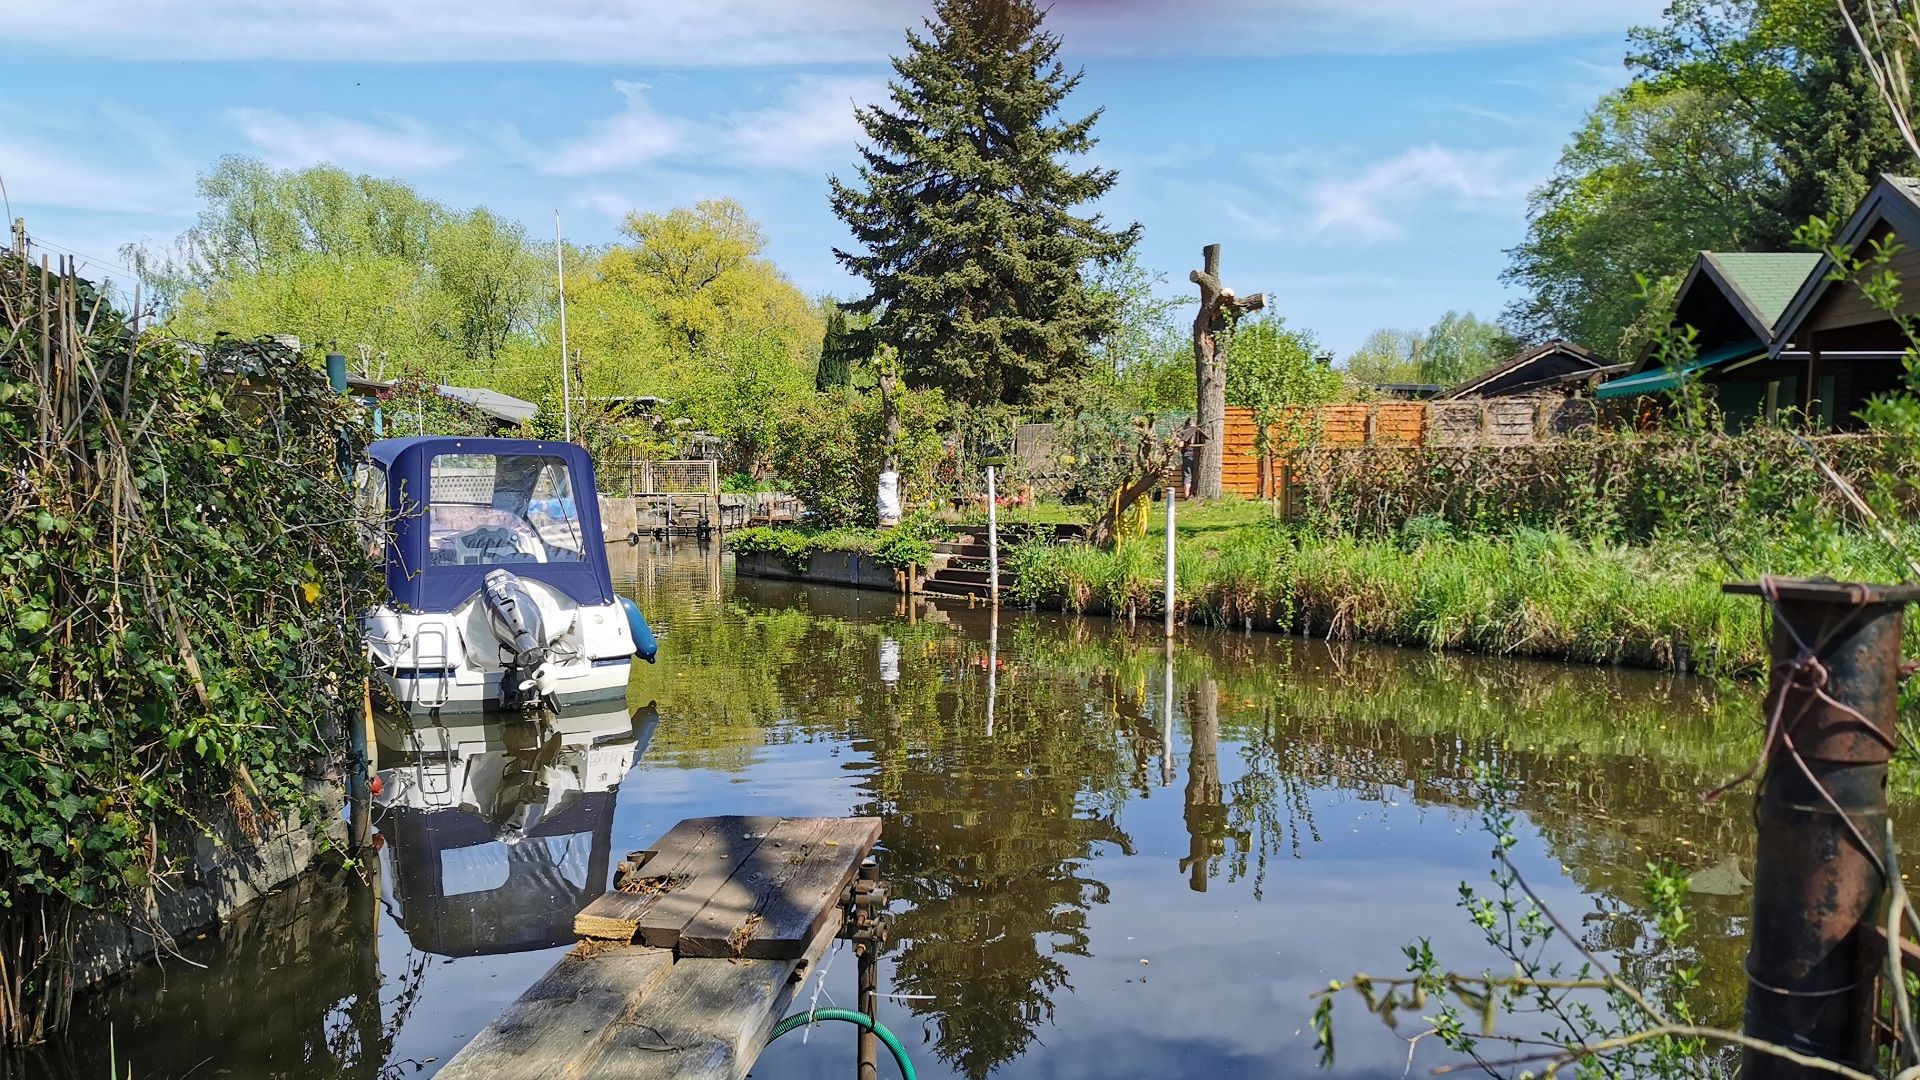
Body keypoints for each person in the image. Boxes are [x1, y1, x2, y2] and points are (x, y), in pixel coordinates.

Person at [1176, 416, 1207, 498]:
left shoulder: (1185, 432)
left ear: (1187, 425)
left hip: (1188, 455)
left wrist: (1178, 443)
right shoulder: (1198, 431)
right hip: (1198, 455)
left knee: (1187, 475)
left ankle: (1187, 495)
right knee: (1196, 473)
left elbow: (1181, 445)